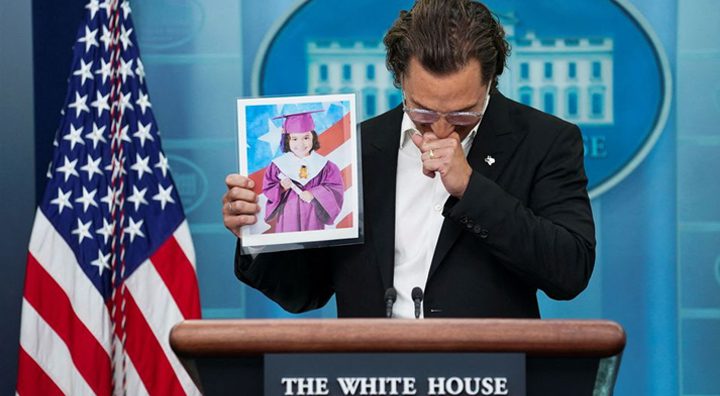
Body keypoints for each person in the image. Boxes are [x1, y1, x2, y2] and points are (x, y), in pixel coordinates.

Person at [222, 0, 595, 318]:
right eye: (424, 112)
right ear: (400, 77)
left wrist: (471, 189)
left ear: (491, 80)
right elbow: (303, 292)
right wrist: (258, 231)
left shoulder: (545, 141)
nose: (444, 129)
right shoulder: (354, 151)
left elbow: (570, 271)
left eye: (464, 114)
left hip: (492, 373)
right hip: (369, 375)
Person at [262, 110, 344, 232]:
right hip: (288, 215)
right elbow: (268, 189)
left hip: (314, 217)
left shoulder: (327, 167)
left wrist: (314, 193)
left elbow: (336, 189)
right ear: (287, 140)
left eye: (306, 137)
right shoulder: (278, 166)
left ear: (313, 137)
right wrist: (281, 187)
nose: (300, 144)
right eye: (294, 139)